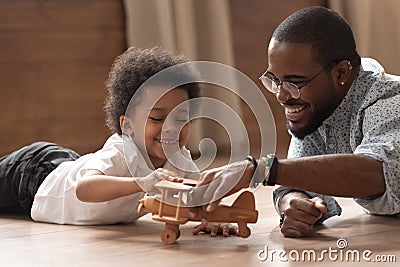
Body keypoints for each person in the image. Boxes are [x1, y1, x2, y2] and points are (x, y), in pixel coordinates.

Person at [191, 6, 400, 238]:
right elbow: (295, 175)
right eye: (275, 81)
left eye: (295, 83)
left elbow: (379, 172)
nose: (281, 95)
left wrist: (260, 169)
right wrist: (295, 203)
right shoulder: (318, 107)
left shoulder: (390, 102)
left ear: (341, 73)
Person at [0, 47, 202, 226]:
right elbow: (84, 188)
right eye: (157, 118)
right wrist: (143, 181)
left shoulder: (180, 160)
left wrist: (211, 222)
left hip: (62, 177)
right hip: (36, 173)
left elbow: (200, 200)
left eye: (181, 119)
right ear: (128, 125)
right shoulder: (122, 151)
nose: (170, 128)